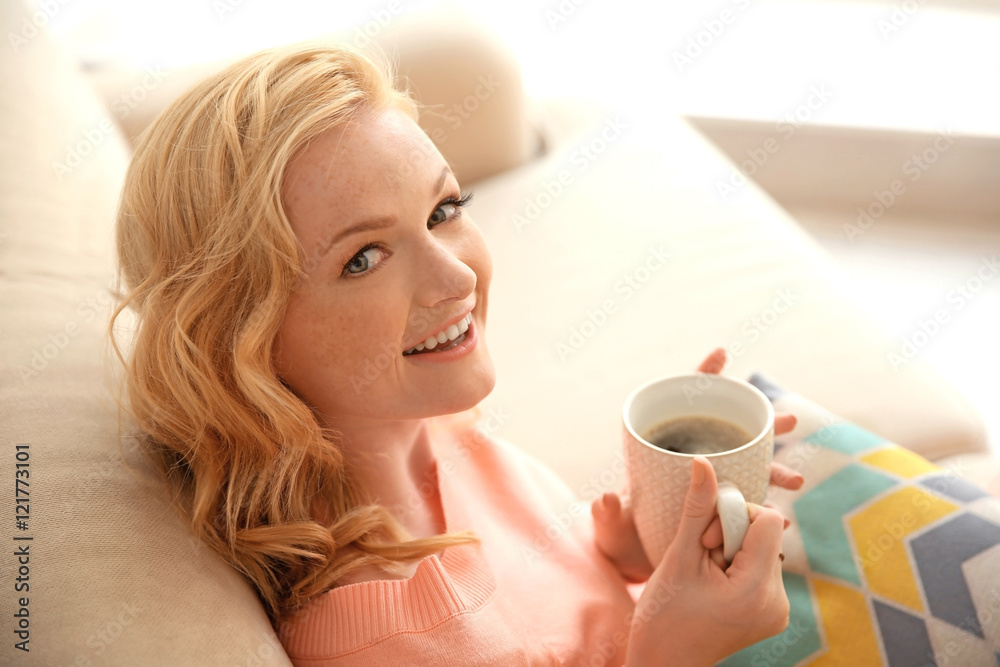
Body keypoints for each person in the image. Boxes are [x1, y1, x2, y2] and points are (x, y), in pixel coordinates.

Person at [111, 43, 803, 666]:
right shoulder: (382, 642)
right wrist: (674, 650)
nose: (458, 278)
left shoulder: (429, 427)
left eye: (443, 209)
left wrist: (632, 550)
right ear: (245, 338)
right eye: (365, 257)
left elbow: (555, 612)